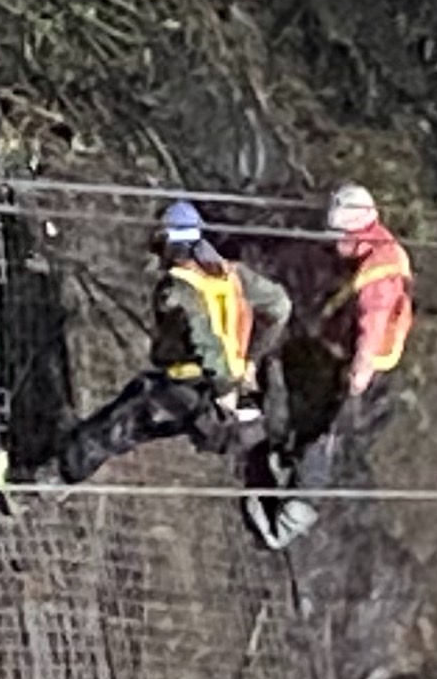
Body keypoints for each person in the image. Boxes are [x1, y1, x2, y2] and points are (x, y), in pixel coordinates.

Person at [43, 202, 292, 486]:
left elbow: (206, 341)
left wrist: (224, 389)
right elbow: (280, 306)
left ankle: (51, 479)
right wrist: (250, 361)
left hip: (197, 387)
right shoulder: (233, 275)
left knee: (122, 424)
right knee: (132, 405)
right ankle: (69, 451)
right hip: (222, 391)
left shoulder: (178, 290)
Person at [243, 183, 414, 550]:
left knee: (324, 438)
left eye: (339, 235)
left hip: (364, 366)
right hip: (340, 353)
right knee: (301, 406)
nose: (335, 243)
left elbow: (373, 323)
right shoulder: (372, 248)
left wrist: (360, 372)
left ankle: (285, 524)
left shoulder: (378, 271)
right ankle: (283, 461)